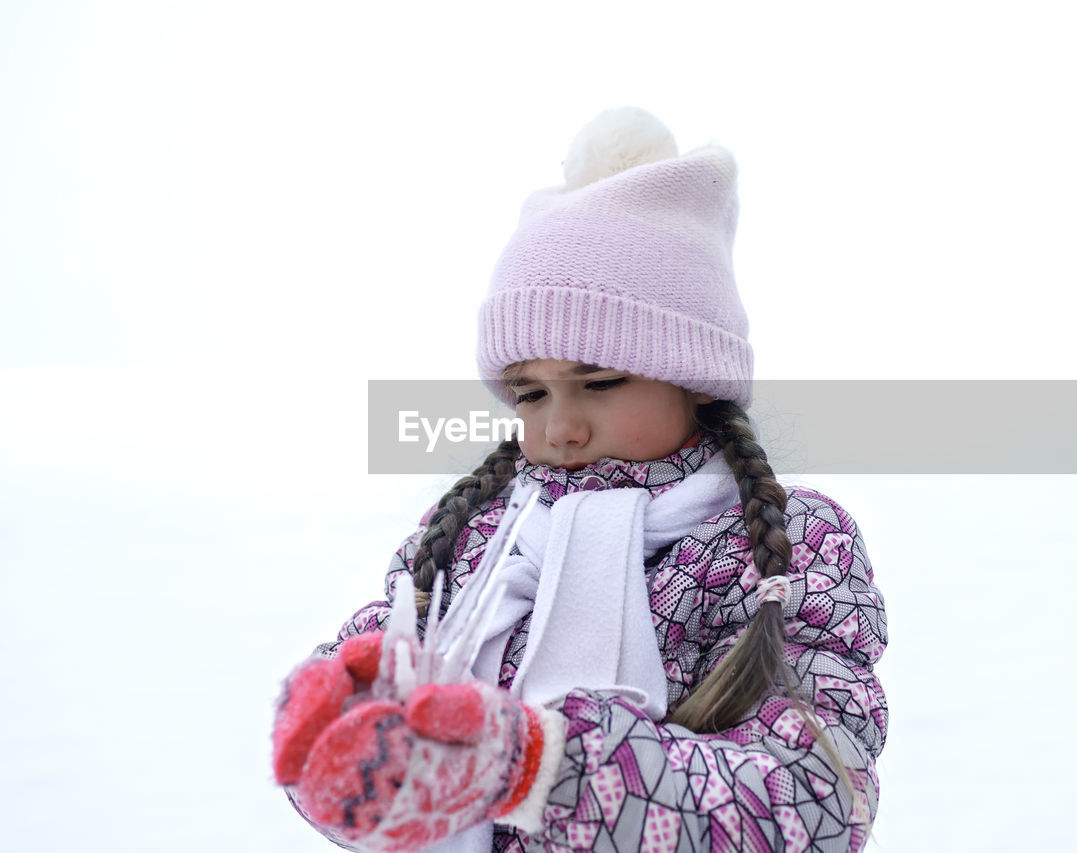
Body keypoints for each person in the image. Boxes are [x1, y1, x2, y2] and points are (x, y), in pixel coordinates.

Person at [271, 107, 888, 853]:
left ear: (693, 374)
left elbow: (812, 807)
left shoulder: (787, 548)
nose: (560, 425)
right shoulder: (479, 539)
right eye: (530, 393)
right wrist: (347, 730)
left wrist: (537, 767)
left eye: (598, 381)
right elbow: (382, 786)